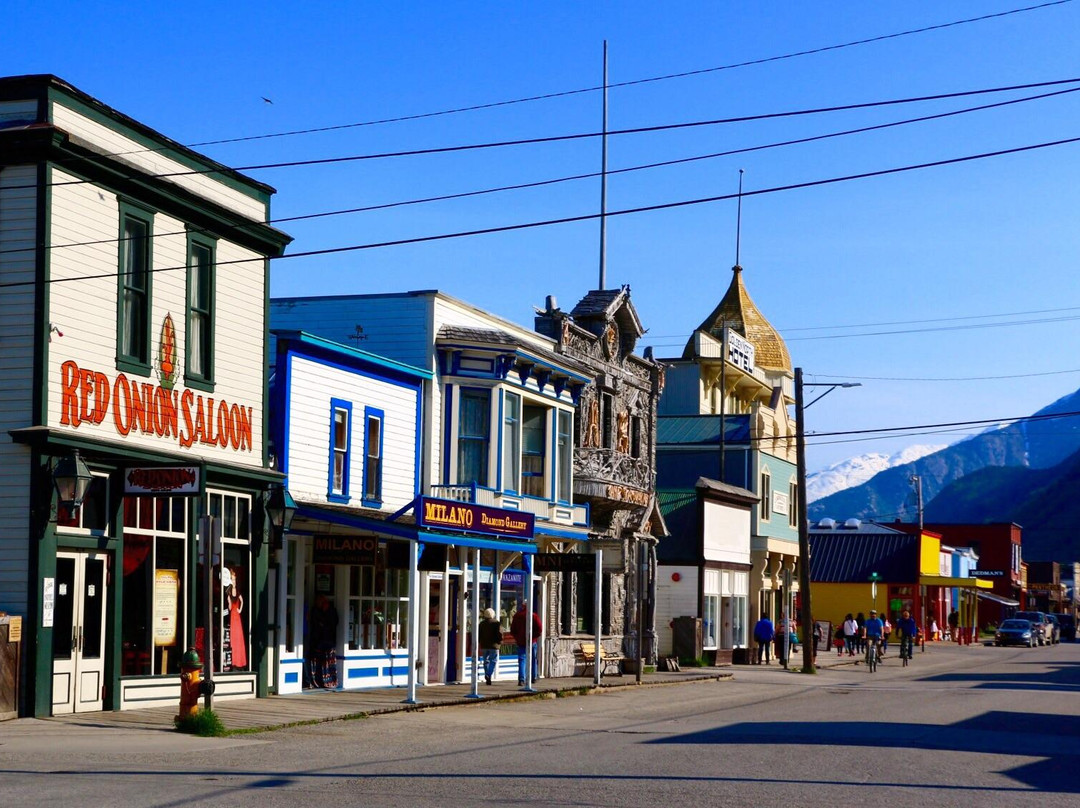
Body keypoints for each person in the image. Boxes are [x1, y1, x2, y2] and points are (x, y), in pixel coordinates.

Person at [309, 594, 339, 689]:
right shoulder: (315, 611)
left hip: (328, 640)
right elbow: (317, 624)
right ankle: (317, 681)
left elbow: (333, 623)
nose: (320, 604)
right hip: (318, 641)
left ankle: (330, 681)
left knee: (328, 663)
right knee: (317, 663)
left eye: (321, 602)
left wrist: (324, 623)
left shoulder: (331, 611)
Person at [510, 603, 542, 685]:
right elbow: (539, 628)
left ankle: (521, 679)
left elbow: (512, 630)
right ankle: (533, 677)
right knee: (533, 659)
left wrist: (517, 637)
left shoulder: (517, 616)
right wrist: (533, 637)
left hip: (521, 642)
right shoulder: (533, 616)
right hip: (532, 641)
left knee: (522, 660)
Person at [479, 607, 502, 686]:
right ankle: (489, 674)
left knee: (486, 661)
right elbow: (500, 634)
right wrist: (500, 641)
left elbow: (479, 634)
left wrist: (479, 642)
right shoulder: (496, 623)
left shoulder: (481, 624)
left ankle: (487, 674)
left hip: (484, 645)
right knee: (493, 660)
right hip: (494, 645)